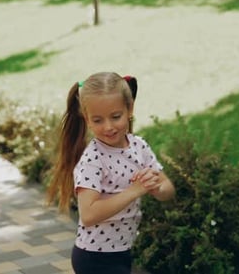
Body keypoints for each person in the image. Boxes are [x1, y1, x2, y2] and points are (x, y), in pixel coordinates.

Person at [46, 72, 175, 274]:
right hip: (95, 257)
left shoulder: (138, 146)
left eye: (116, 117)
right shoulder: (93, 159)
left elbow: (168, 189)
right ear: (87, 120)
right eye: (97, 120)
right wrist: (134, 191)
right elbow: (88, 215)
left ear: (129, 109)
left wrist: (156, 187)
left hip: (122, 250)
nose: (108, 127)